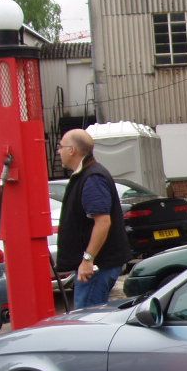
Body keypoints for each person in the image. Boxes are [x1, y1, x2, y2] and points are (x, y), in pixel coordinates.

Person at [55, 129, 132, 308]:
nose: (59, 151)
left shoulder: (93, 178)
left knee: (88, 319)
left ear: (72, 150)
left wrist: (88, 260)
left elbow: (103, 222)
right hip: (97, 264)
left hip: (98, 266)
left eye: (61, 147)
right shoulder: (85, 175)